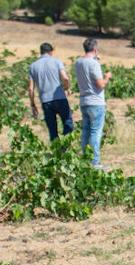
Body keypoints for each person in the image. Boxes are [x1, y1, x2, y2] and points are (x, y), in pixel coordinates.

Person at [73, 38, 111, 168]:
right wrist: (107, 77)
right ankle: (95, 163)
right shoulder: (94, 64)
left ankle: (85, 159)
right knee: (95, 132)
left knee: (86, 131)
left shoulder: (78, 62)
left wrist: (96, 60)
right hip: (96, 102)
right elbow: (100, 85)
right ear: (95, 49)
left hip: (84, 101)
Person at [28, 42, 74, 140]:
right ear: (51, 52)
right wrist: (66, 88)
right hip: (60, 98)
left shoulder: (33, 66)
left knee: (52, 130)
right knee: (68, 122)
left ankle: (57, 152)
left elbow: (31, 88)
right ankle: (67, 147)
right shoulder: (57, 62)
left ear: (40, 52)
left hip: (45, 101)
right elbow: (65, 78)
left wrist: (33, 104)